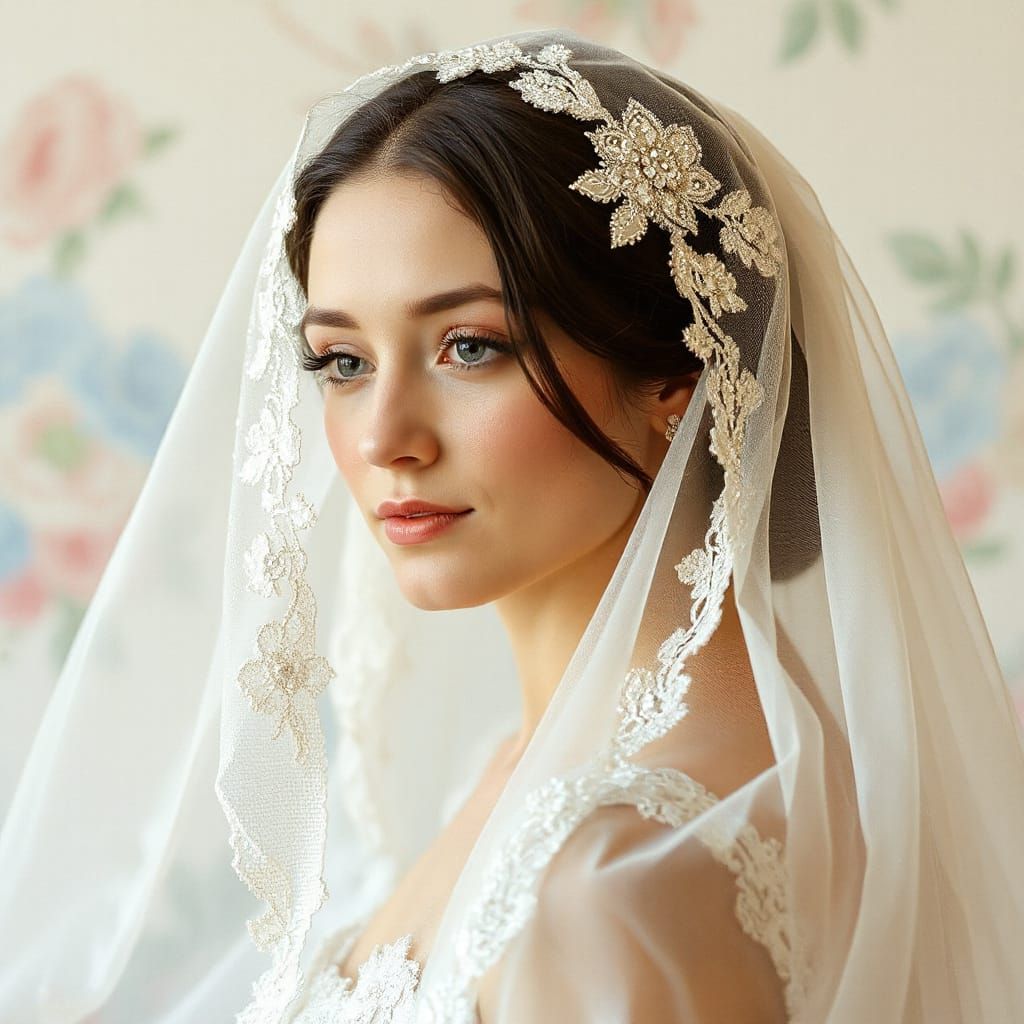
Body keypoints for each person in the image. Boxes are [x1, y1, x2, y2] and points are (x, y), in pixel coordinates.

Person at [1, 26, 1023, 1024]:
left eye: (469, 346)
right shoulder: (553, 771)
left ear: (676, 377)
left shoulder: (614, 873)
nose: (384, 437)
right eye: (343, 361)